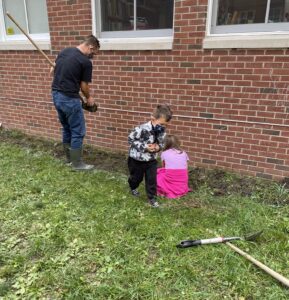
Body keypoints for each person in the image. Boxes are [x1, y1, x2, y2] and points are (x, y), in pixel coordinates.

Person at [51, 35, 100, 171]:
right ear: (91, 47)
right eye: (93, 53)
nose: (92, 56)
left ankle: (69, 160)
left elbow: (53, 69)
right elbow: (83, 85)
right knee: (78, 131)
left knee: (67, 128)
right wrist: (89, 98)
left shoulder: (65, 51)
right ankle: (77, 164)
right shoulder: (85, 62)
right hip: (69, 99)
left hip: (56, 95)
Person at [128, 104, 173, 208]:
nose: (163, 127)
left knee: (152, 179)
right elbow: (130, 140)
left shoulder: (162, 132)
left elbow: (162, 144)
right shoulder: (141, 129)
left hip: (151, 160)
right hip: (136, 159)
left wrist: (158, 148)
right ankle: (133, 187)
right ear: (153, 119)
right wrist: (144, 147)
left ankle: (152, 198)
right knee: (136, 178)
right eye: (161, 124)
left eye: (166, 125)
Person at [157, 135, 190, 199]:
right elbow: (186, 167)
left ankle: (167, 189)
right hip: (183, 177)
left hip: (170, 176)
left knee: (157, 176)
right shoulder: (183, 152)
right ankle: (179, 189)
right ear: (177, 143)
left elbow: (164, 167)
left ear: (165, 144)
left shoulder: (164, 153)